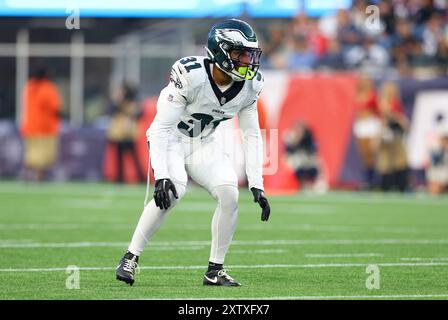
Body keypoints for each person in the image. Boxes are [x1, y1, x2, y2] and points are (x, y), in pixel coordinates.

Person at [116, 19, 270, 287]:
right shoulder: (190, 74)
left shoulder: (249, 85)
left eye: (250, 54)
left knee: (229, 192)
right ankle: (130, 257)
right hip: (172, 139)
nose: (247, 60)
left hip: (202, 143)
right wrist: (161, 174)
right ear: (221, 52)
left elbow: (252, 135)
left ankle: (215, 271)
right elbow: (159, 130)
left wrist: (257, 183)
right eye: (240, 53)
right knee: (173, 191)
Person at [20, 66, 62, 181]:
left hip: (30, 126)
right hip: (45, 128)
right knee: (43, 155)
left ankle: (27, 174)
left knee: (31, 153)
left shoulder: (29, 87)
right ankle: (39, 177)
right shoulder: (48, 88)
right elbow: (55, 107)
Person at [106, 83, 145, 183]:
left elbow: (139, 114)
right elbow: (111, 111)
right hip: (118, 133)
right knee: (119, 158)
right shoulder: (117, 102)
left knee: (134, 157)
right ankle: (120, 178)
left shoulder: (132, 102)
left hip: (129, 133)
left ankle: (141, 178)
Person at [375, 81, 409, 192]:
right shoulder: (384, 101)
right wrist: (400, 119)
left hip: (396, 132)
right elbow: (386, 113)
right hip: (387, 131)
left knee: (399, 159)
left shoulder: (395, 101)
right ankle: (386, 185)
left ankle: (400, 184)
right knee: (386, 159)